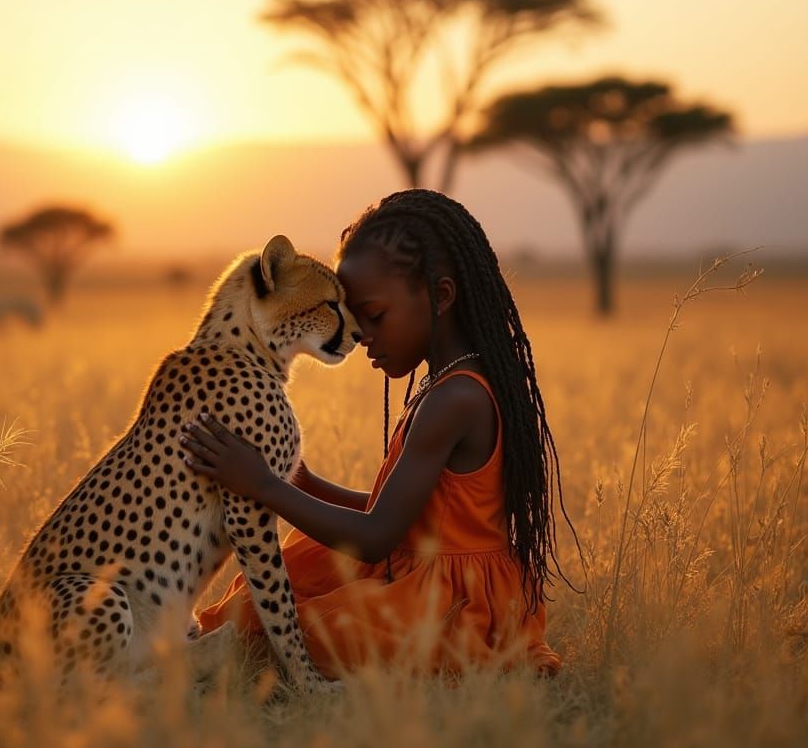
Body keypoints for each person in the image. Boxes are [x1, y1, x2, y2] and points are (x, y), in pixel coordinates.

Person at [180, 189, 576, 679]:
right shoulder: (451, 383)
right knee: (269, 597)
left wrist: (261, 485)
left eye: (374, 315)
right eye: (350, 315)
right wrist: (302, 481)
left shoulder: (455, 399)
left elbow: (374, 538)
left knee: (287, 628)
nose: (359, 334)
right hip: (423, 570)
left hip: (450, 604)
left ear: (441, 297)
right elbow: (398, 516)